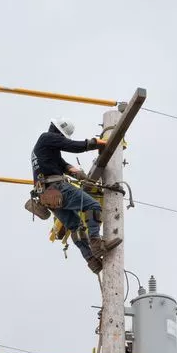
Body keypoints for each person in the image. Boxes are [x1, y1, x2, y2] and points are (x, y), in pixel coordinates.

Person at [26, 117, 115, 273]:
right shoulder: (46, 137)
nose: (61, 140)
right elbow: (73, 146)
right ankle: (96, 242)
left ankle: (91, 260)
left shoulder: (45, 149)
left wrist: (80, 175)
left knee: (76, 227)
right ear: (58, 132)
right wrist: (96, 143)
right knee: (93, 205)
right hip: (57, 189)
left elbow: (63, 165)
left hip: (47, 197)